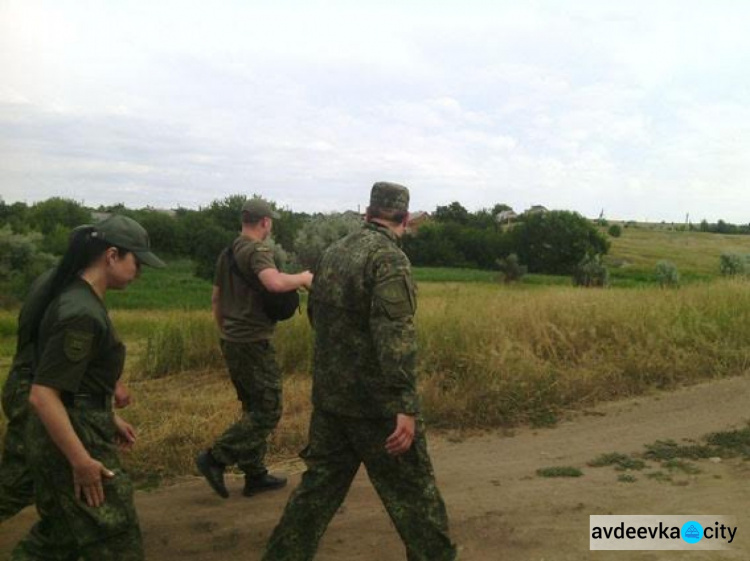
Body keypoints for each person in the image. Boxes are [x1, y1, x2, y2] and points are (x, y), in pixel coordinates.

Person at [262, 182, 457, 561]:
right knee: (416, 501)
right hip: (378, 409)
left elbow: (317, 317)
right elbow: (395, 335)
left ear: (367, 215)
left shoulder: (333, 253)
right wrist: (405, 404)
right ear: (404, 220)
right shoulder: (389, 260)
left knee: (315, 494)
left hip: (332, 401)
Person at [11, 215, 165, 561]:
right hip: (76, 434)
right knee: (116, 533)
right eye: (136, 262)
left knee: (61, 536)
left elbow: (75, 381)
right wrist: (81, 461)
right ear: (112, 256)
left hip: (79, 422)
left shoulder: (76, 296)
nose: (139, 272)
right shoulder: (81, 312)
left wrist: (107, 415)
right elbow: (43, 394)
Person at [196, 198, 313, 499]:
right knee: (268, 409)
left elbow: (216, 298)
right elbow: (273, 283)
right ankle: (215, 458)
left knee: (252, 407)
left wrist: (225, 332)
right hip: (252, 341)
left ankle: (255, 474)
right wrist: (302, 278)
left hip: (233, 339)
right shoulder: (258, 251)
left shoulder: (228, 252)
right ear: (265, 222)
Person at [1, 255, 131, 524]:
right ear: (107, 254)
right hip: (36, 384)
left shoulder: (66, 284)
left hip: (36, 381)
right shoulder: (71, 291)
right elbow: (57, 354)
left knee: (28, 476)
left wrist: (108, 406)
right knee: (21, 479)